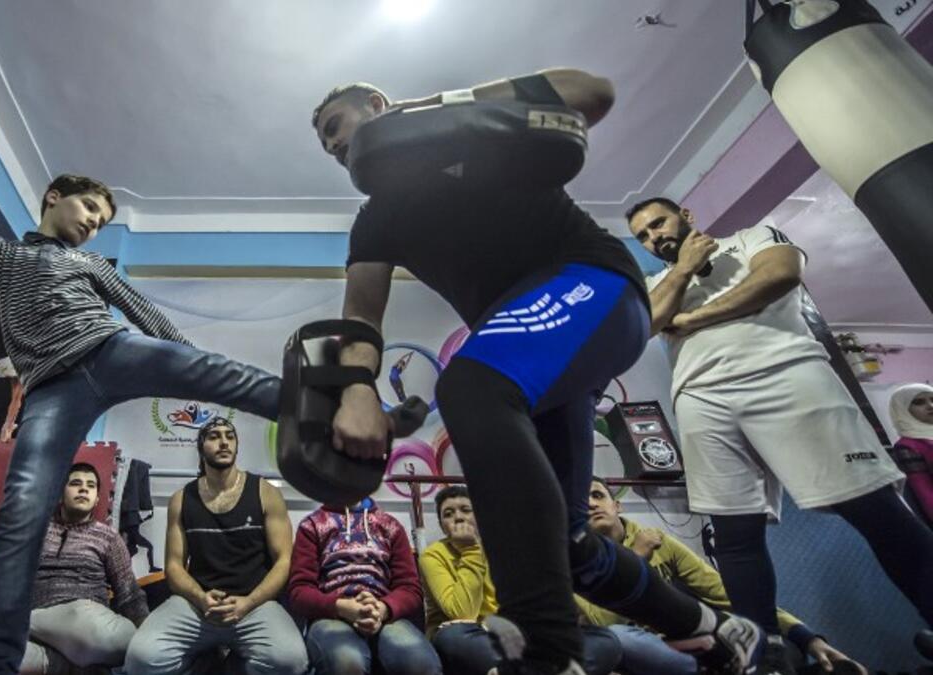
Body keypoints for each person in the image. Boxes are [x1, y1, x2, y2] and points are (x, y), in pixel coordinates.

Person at [312, 72, 762, 675]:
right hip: (539, 351)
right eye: (327, 147)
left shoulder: (471, 137)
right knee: (569, 545)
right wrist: (358, 390)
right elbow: (361, 318)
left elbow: (594, 94)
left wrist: (434, 107)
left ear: (376, 105)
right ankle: (713, 632)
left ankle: (546, 655)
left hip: (594, 287)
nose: (336, 149)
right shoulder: (375, 220)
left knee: (470, 385)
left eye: (337, 129)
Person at [0, 160, 282, 675]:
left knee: (226, 375)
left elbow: (143, 312)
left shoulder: (92, 264)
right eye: (90, 208)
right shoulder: (4, 255)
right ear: (53, 197)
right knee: (21, 514)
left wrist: (193, 365)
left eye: (103, 220)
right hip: (51, 390)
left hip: (108, 349)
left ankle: (323, 417)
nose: (94, 223)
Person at [626, 197, 933, 672]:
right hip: (702, 395)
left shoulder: (752, 237)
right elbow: (645, 323)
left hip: (787, 373)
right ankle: (761, 654)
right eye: (643, 235)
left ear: (686, 214)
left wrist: (692, 319)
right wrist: (683, 270)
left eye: (658, 223)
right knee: (733, 531)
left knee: (875, 510)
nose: (653, 238)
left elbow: (778, 276)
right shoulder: (656, 282)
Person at [578, 478, 865, 675]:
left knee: (767, 637)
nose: (591, 503)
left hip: (693, 635)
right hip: (645, 647)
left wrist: (807, 638)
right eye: (582, 500)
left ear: (617, 506)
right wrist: (636, 559)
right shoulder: (576, 560)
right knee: (616, 638)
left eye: (598, 495)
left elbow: (727, 594)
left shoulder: (657, 539)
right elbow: (606, 621)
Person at [123, 418, 307, 674]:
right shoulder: (182, 499)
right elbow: (174, 566)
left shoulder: (266, 492)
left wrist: (249, 602)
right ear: (200, 447)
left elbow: (284, 560)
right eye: (214, 436)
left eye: (229, 436)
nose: (223, 442)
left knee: (291, 661)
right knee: (141, 660)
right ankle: (204, 660)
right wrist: (200, 598)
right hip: (198, 605)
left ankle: (230, 667)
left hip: (254, 604)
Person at [0, 462, 147, 674]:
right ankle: (63, 664)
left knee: (118, 638)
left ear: (97, 499)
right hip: (33, 623)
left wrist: (146, 633)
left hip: (80, 620)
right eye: (75, 483)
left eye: (90, 486)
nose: (84, 489)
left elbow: (129, 593)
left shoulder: (108, 537)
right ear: (59, 494)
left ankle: (26, 633)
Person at [419, 486, 620, 675]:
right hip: (473, 635)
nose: (459, 518)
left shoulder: (508, 548)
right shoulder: (433, 555)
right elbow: (463, 612)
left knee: (605, 640)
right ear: (442, 526)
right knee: (452, 637)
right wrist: (470, 550)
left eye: (465, 510)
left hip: (514, 635)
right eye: (448, 514)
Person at [288, 496, 440, 675]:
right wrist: (342, 607)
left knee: (419, 662)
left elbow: (410, 588)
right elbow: (300, 591)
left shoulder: (390, 525)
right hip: (332, 615)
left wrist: (382, 608)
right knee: (347, 661)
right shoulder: (312, 525)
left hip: (383, 613)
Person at [888, 383, 933, 522]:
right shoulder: (907, 447)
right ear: (903, 409)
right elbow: (924, 492)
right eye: (919, 402)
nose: (930, 406)